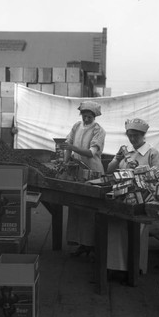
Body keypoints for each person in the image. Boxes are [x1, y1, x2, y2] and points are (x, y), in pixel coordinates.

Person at [105, 118, 159, 278]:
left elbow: (158, 177)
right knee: (115, 227)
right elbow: (110, 170)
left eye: (136, 136)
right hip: (123, 195)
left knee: (134, 229)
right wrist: (117, 159)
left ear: (143, 135)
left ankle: (134, 267)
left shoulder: (152, 153)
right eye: (130, 135)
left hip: (143, 199)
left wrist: (138, 170)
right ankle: (115, 266)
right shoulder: (126, 152)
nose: (132, 139)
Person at [59, 101, 106, 257]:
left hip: (92, 172)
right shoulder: (76, 126)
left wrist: (72, 149)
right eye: (84, 115)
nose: (86, 118)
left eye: (89, 116)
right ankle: (80, 243)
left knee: (90, 208)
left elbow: (91, 153)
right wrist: (65, 163)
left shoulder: (99, 130)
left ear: (94, 116)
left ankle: (92, 244)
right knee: (77, 207)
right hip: (77, 172)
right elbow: (67, 144)